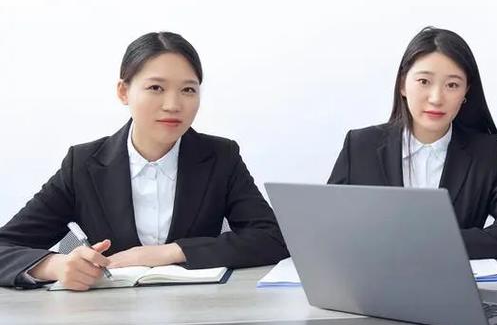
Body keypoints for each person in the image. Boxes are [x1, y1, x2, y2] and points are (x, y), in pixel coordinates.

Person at [0, 32, 288, 290]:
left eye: (188, 90)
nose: (173, 105)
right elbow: (5, 246)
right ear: (123, 91)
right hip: (109, 317)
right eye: (156, 88)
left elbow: (273, 238)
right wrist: (56, 266)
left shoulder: (220, 156)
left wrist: (168, 252)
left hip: (198, 312)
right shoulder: (84, 164)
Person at [328, 27, 497, 258]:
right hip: (374, 279)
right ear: (402, 85)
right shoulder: (360, 147)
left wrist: (438, 242)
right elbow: (326, 225)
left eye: (452, 85)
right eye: (424, 81)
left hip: (452, 279)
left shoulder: (487, 153)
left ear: (466, 92)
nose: (436, 98)